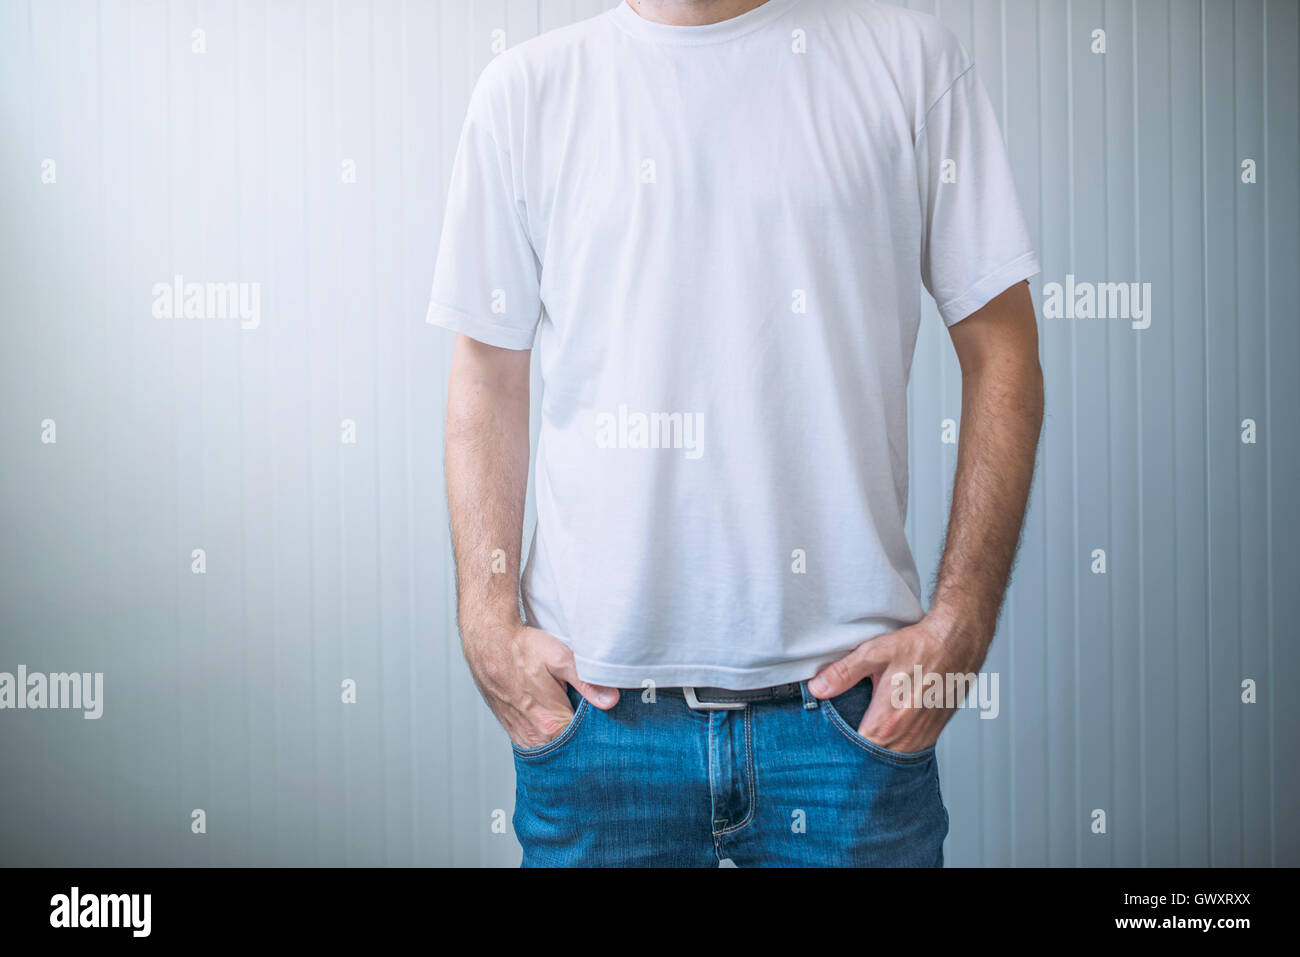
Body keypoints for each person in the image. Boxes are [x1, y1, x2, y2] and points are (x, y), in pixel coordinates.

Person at [429, 0, 1043, 867]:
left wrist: (962, 624)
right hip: (599, 724)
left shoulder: (910, 63)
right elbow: (486, 379)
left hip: (847, 730)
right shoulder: (526, 91)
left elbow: (1004, 348)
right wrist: (486, 622)